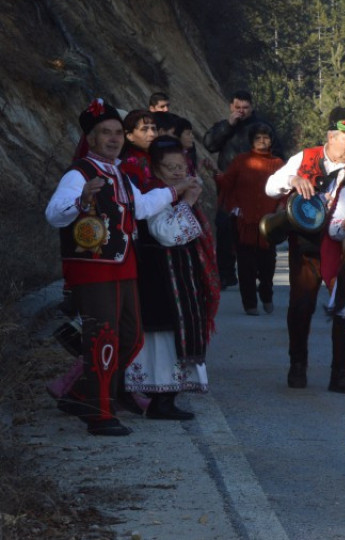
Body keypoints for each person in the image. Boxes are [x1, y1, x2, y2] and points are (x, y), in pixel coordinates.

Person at [44, 99, 191, 436]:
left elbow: (141, 207)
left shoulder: (118, 173)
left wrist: (174, 190)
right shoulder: (79, 173)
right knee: (103, 338)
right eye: (104, 133)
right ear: (91, 139)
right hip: (94, 269)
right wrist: (81, 200)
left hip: (123, 267)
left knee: (130, 337)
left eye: (115, 133)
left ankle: (82, 393)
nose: (112, 139)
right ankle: (99, 412)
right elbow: (54, 214)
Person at [265, 107, 345, 391]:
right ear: (331, 137)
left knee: (343, 309)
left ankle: (341, 374)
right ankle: (297, 365)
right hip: (307, 245)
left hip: (344, 247)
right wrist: (292, 180)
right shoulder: (305, 157)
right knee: (301, 306)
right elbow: (271, 187)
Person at [124, 136, 217, 420]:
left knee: (171, 339)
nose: (178, 172)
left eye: (182, 166)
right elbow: (167, 234)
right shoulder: (155, 194)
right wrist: (187, 201)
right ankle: (160, 401)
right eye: (170, 167)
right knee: (163, 341)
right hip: (161, 282)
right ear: (155, 169)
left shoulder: (170, 193)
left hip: (178, 278)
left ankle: (164, 398)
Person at [204, 90, 281, 289]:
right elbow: (209, 144)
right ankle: (225, 275)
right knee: (225, 228)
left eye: (245, 108)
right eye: (237, 108)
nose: (241, 112)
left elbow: (278, 154)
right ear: (231, 107)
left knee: (254, 231)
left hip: (258, 189)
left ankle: (255, 273)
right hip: (229, 187)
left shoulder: (263, 127)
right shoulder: (225, 126)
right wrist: (228, 125)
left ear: (252, 107)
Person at [218, 124, 284, 315]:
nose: (263, 141)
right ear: (251, 141)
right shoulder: (240, 161)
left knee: (267, 265)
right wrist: (216, 175)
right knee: (245, 266)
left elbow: (286, 190)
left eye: (266, 138)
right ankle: (250, 304)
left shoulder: (279, 164)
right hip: (243, 222)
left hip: (268, 224)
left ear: (271, 141)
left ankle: (266, 294)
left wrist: (280, 209)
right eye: (258, 138)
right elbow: (227, 183)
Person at [120, 109, 158, 188]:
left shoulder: (155, 155)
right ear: (129, 136)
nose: (152, 134)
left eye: (154, 129)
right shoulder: (130, 164)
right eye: (144, 129)